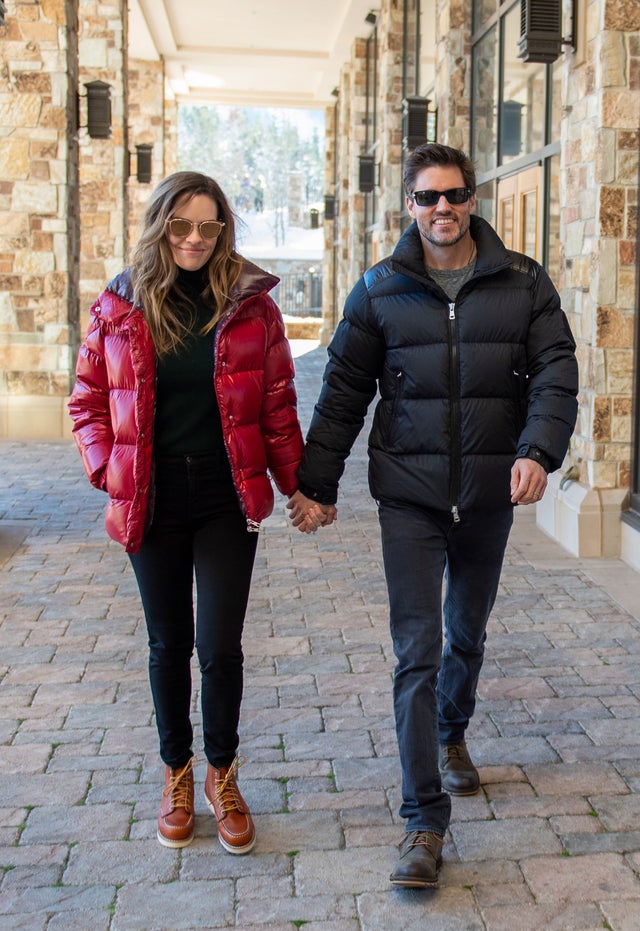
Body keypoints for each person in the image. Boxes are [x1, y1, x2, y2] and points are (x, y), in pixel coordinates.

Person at [288, 143, 578, 888]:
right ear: (408, 207)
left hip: (487, 495)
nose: (441, 208)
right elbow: (344, 391)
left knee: (465, 634)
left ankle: (451, 736)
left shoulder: (522, 282)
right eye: (427, 198)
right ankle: (423, 821)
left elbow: (555, 372)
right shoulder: (380, 289)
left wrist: (538, 451)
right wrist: (317, 485)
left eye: (453, 194)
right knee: (416, 650)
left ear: (472, 199)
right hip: (410, 498)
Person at [69, 171, 305, 855]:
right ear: (160, 227)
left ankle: (222, 776)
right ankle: (175, 772)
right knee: (167, 644)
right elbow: (86, 400)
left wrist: (299, 487)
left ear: (224, 230)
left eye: (208, 226)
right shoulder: (119, 305)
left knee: (219, 646)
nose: (195, 239)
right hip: (152, 495)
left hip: (225, 498)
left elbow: (278, 405)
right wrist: (103, 467)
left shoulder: (254, 308)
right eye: (182, 226)